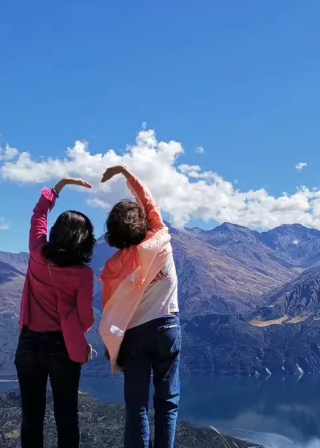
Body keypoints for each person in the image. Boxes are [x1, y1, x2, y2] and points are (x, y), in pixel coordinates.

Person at [97, 165, 180, 448]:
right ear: (142, 223)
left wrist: (113, 350)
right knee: (167, 403)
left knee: (137, 407)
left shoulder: (111, 268)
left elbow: (110, 310)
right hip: (167, 327)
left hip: (133, 337)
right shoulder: (161, 239)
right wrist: (126, 173)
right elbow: (150, 202)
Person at [16, 178, 96, 448]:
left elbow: (38, 216)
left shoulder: (37, 254)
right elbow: (86, 320)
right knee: (66, 416)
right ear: (84, 240)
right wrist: (69, 319)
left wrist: (58, 188)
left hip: (28, 344)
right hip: (62, 348)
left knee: (31, 417)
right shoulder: (83, 275)